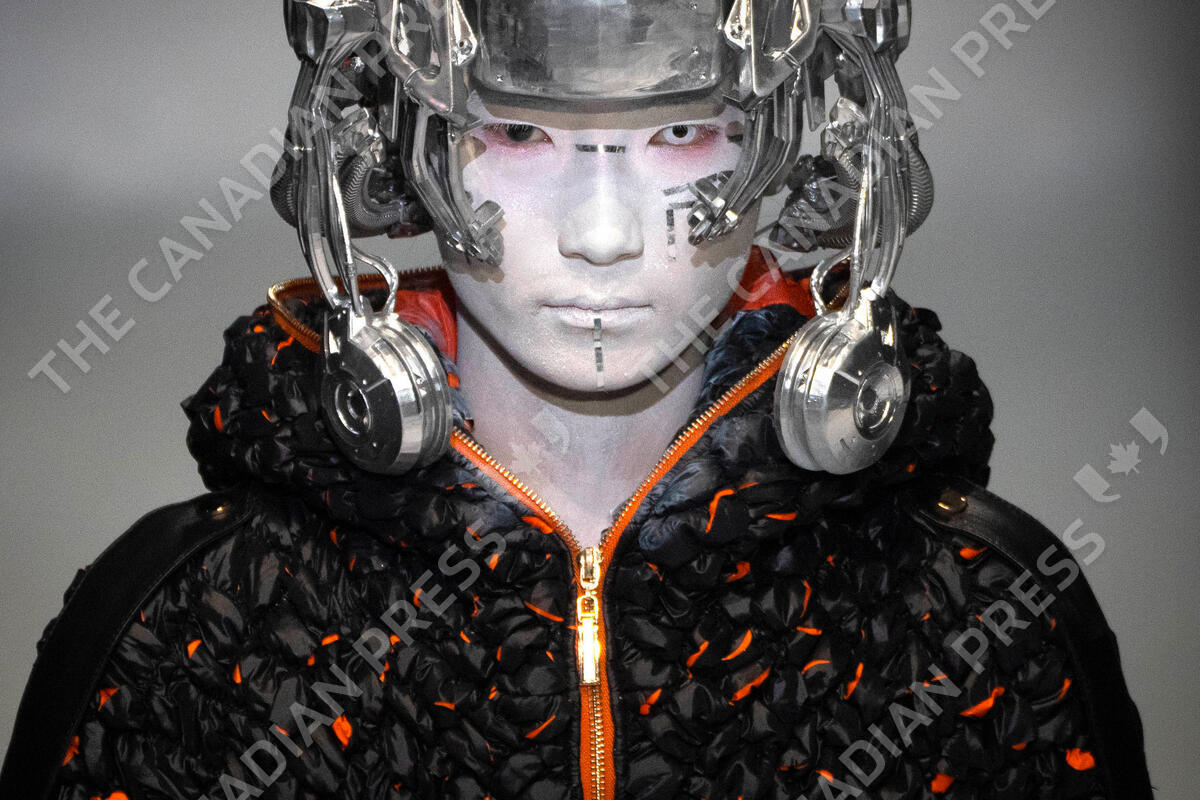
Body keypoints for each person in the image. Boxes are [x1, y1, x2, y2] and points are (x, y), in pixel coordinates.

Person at [1, 1, 1152, 798]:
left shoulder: (985, 616)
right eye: (517, 129)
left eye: (679, 131)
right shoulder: (184, 623)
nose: (602, 234)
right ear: (392, 129)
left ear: (801, 131)